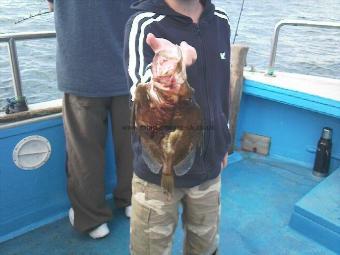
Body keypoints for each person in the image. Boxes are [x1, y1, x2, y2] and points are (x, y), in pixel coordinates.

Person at [124, 0, 230, 254]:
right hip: (157, 172)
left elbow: (222, 90)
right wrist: (172, 64)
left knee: (205, 247)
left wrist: (224, 142)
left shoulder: (221, 21)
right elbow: (139, 88)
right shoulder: (144, 23)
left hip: (209, 167)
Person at [47, 0, 135, 239]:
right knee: (132, 145)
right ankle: (132, 202)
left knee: (83, 152)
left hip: (80, 70)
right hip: (129, 69)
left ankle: (93, 220)